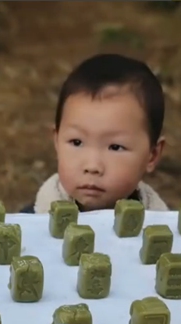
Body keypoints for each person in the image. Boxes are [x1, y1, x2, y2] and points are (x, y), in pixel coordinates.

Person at [21, 53, 168, 213]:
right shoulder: (31, 227)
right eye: (77, 142)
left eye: (115, 147)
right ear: (57, 142)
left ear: (152, 155)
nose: (92, 166)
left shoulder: (165, 228)